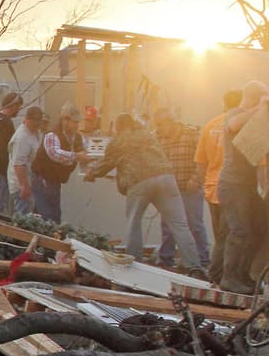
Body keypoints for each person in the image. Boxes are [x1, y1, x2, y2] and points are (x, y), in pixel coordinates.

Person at [84, 113, 202, 272]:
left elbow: (105, 164)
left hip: (139, 182)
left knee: (134, 223)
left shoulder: (119, 141)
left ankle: (135, 266)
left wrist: (90, 173)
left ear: (118, 128)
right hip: (166, 178)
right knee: (180, 225)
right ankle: (194, 266)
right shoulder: (147, 134)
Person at [215, 81, 269, 294]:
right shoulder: (236, 113)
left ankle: (244, 275)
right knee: (240, 231)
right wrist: (261, 107)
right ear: (254, 99)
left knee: (258, 229)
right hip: (232, 184)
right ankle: (229, 278)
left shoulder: (255, 118)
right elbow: (233, 125)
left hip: (247, 186)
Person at [153, 107, 209, 270]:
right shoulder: (158, 137)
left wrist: (196, 179)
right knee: (167, 225)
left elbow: (203, 159)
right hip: (169, 190)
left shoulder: (191, 134)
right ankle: (166, 259)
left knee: (194, 224)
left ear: (170, 122)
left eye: (160, 124)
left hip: (189, 187)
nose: (158, 128)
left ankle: (202, 260)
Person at [195, 90, 241, 285]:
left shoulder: (210, 125)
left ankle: (217, 274)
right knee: (229, 235)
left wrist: (204, 183)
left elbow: (200, 161)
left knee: (220, 234)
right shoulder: (240, 125)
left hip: (212, 187)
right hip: (231, 187)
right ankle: (217, 276)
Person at [31, 102, 88, 223]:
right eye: (75, 122)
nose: (77, 125)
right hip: (43, 179)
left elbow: (84, 149)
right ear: (65, 120)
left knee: (44, 215)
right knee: (50, 216)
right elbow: (54, 154)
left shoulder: (77, 137)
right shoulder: (52, 135)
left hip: (55, 180)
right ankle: (49, 240)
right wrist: (76, 156)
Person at [7, 106, 45, 215]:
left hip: (30, 182)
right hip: (21, 186)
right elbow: (19, 164)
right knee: (22, 219)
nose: (37, 123)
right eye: (35, 120)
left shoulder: (34, 133)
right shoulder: (22, 137)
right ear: (27, 119)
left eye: (39, 120)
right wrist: (24, 186)